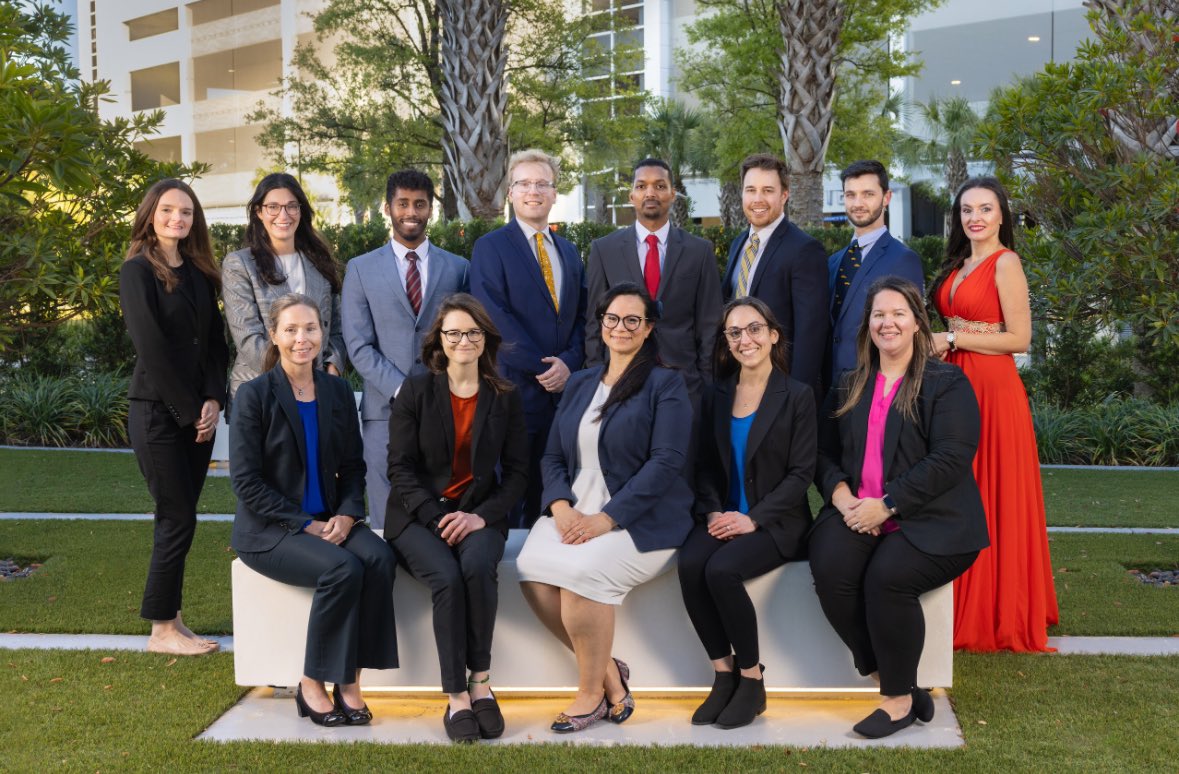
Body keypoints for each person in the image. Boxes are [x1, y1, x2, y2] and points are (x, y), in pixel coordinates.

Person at [809, 276, 989, 739]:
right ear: (867, 324)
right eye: (878, 315)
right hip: (855, 511)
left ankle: (896, 702)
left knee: (886, 580)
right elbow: (822, 454)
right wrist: (844, 497)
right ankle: (898, 681)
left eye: (898, 314)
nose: (887, 323)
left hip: (932, 517)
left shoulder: (946, 382)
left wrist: (886, 505)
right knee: (830, 570)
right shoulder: (851, 382)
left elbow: (950, 458)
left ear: (917, 322)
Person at [515, 283, 694, 734]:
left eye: (633, 320)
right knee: (531, 570)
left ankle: (591, 693)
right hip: (574, 511)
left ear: (649, 328)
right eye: (612, 319)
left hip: (639, 520)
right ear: (601, 324)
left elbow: (667, 462)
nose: (621, 328)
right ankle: (612, 674)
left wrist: (606, 518)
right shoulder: (578, 383)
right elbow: (552, 456)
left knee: (581, 576)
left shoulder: (665, 384)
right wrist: (559, 506)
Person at [230, 293, 398, 727]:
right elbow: (246, 483)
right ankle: (311, 682)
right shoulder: (253, 396)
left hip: (330, 517)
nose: (302, 338)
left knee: (378, 558)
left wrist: (346, 514)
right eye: (291, 330)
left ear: (323, 334)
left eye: (310, 328)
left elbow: (353, 466)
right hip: (271, 531)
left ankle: (350, 682)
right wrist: (304, 524)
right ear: (274, 336)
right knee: (344, 569)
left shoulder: (339, 391)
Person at [385, 294, 528, 742]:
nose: (463, 340)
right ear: (440, 341)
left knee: (478, 566)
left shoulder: (504, 398)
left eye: (472, 332)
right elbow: (399, 468)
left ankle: (480, 681)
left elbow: (519, 472)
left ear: (485, 339)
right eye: (454, 333)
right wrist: (434, 517)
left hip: (480, 515)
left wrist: (481, 517)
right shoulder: (416, 390)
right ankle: (456, 698)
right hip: (416, 515)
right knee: (446, 577)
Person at [930, 176, 1059, 652]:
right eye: (966, 210)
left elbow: (1019, 340)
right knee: (958, 486)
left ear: (1002, 213)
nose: (975, 217)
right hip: (956, 381)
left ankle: (996, 609)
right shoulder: (960, 263)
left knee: (989, 490)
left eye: (985, 208)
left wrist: (952, 339)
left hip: (993, 388)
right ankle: (960, 595)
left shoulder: (1007, 263)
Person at [678, 297, 817, 729]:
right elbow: (701, 465)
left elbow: (801, 474)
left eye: (754, 329)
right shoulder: (716, 393)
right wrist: (713, 510)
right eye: (734, 333)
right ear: (726, 342)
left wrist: (752, 518)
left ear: (773, 335)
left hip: (775, 521)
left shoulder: (797, 395)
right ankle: (723, 674)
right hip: (723, 514)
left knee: (721, 571)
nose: (745, 339)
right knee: (690, 564)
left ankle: (752, 679)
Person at [120, 178, 229, 656]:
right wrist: (189, 412)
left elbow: (214, 345)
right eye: (167, 210)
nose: (176, 219)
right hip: (157, 415)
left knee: (182, 518)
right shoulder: (137, 272)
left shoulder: (202, 272)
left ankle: (173, 619)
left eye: (185, 212)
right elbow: (153, 349)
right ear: (150, 214)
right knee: (176, 515)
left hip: (198, 417)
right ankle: (161, 630)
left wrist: (212, 399)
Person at [342, 169, 470, 532]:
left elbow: (466, 339)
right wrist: (403, 390)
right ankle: (389, 585)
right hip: (384, 410)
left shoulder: (458, 269)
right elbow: (357, 344)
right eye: (402, 203)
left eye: (419, 204)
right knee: (386, 509)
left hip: (444, 405)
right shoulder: (361, 269)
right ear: (388, 207)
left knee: (442, 501)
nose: (410, 211)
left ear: (430, 209)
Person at [470, 148, 588, 529]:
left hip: (564, 397)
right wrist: (546, 368)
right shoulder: (491, 247)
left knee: (555, 495)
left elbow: (583, 318)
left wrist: (569, 363)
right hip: (515, 393)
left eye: (542, 183)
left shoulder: (569, 252)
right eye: (524, 183)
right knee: (513, 497)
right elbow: (494, 317)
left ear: (555, 193)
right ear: (510, 192)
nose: (533, 191)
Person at [585, 157, 722, 405]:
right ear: (631, 196)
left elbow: (709, 324)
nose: (650, 192)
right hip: (620, 380)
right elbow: (594, 322)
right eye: (641, 186)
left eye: (659, 186)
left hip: (684, 382)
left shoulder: (699, 251)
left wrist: (705, 381)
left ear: (672, 194)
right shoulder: (604, 250)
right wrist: (598, 376)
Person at [222, 173, 345, 404]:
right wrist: (297, 381)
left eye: (291, 206)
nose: (283, 215)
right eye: (273, 207)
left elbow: (336, 328)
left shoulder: (320, 262)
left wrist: (331, 369)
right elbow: (248, 337)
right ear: (259, 212)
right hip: (261, 393)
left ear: (301, 210)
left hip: (318, 391)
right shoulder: (239, 264)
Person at [721, 153, 828, 395]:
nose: (758, 199)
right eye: (751, 190)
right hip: (736, 381)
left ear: (784, 195)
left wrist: (795, 395)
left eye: (768, 190)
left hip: (779, 384)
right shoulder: (738, 244)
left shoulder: (804, 250)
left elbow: (810, 334)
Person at [826, 160, 924, 390]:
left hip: (874, 386)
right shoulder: (833, 261)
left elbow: (910, 333)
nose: (858, 203)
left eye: (868, 194)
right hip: (830, 388)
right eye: (850, 195)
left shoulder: (903, 259)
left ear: (886, 197)